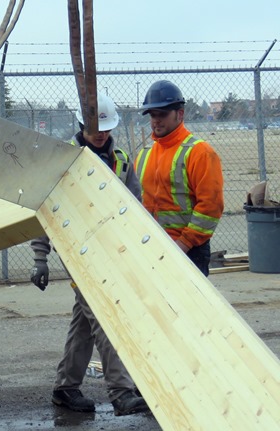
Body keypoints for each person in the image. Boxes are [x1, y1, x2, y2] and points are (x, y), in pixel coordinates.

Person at [30, 93, 149, 416]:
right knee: (105, 318)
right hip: (77, 250)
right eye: (96, 128)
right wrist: (40, 257)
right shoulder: (63, 159)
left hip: (112, 251)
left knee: (85, 322)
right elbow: (45, 207)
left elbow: (135, 209)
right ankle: (121, 392)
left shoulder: (122, 160)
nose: (102, 134)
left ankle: (66, 388)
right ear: (81, 124)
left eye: (107, 129)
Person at [137, 80, 224, 276]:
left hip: (189, 251)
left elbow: (211, 207)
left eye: (162, 114)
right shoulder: (145, 155)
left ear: (180, 114)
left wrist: (184, 244)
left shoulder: (200, 153)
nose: (156, 120)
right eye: (152, 115)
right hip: (152, 247)